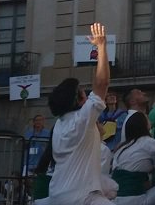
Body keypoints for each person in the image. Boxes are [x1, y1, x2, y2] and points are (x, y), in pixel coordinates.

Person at [45, 22, 112, 205]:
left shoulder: (60, 124)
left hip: (58, 195)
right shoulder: (81, 119)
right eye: (83, 91)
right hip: (81, 198)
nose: (87, 92)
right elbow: (102, 83)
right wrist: (101, 45)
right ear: (80, 100)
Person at [111, 111, 155, 205]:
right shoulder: (149, 142)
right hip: (135, 200)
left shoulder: (121, 147)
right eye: (147, 118)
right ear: (143, 124)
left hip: (116, 199)